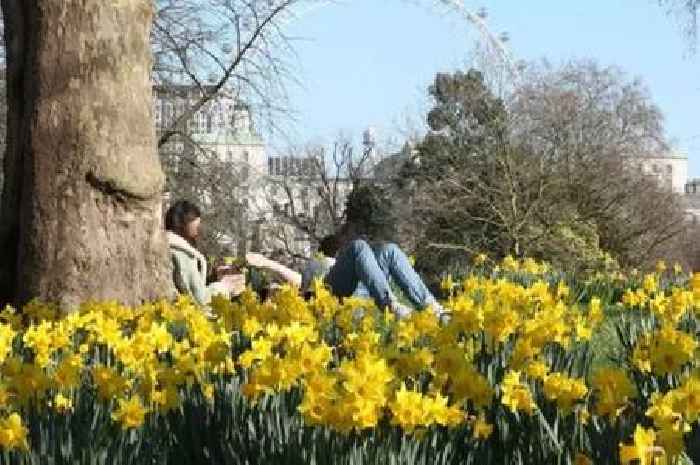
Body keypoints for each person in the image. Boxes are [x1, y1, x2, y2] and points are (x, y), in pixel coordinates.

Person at [165, 200, 246, 307]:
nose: (199, 224)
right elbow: (200, 299)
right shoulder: (181, 252)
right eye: (194, 218)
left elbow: (194, 285)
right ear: (182, 222)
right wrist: (225, 286)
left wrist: (214, 278)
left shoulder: (180, 247)